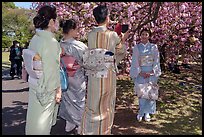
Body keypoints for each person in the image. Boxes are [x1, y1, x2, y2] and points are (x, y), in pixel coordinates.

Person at [80, 5, 129, 135]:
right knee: (106, 105)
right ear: (107, 18)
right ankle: (103, 131)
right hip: (107, 74)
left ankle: (88, 131)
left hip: (93, 73)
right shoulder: (112, 35)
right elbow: (119, 48)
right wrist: (123, 38)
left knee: (92, 103)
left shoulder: (90, 34)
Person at [25, 5, 62, 135]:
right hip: (46, 88)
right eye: (55, 20)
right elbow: (52, 70)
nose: (57, 24)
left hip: (35, 84)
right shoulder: (51, 42)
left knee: (33, 121)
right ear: (51, 22)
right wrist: (58, 90)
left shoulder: (35, 38)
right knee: (42, 125)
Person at [58, 19, 88, 134]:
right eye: (76, 29)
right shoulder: (79, 46)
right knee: (79, 100)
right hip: (77, 77)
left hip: (64, 76)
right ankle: (80, 123)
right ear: (71, 30)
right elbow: (87, 61)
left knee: (67, 99)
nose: (78, 31)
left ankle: (69, 123)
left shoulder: (59, 45)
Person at [130, 28, 161, 122]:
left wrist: (153, 72)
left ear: (149, 36)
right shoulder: (137, 47)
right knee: (142, 93)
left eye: (146, 34)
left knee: (150, 93)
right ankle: (141, 112)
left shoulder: (154, 47)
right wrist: (140, 72)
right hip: (141, 72)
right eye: (142, 34)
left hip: (151, 72)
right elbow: (135, 61)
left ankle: (148, 112)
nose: (144, 36)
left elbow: (156, 60)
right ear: (140, 36)